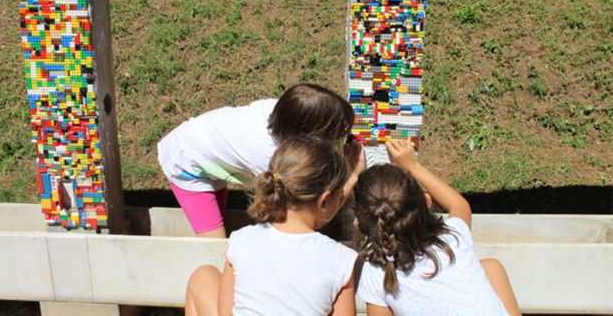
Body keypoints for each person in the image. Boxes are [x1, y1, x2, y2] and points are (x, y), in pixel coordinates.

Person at [185, 135, 366, 316]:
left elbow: (226, 313)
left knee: (203, 276)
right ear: (325, 201)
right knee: (204, 275)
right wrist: (354, 176)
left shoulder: (241, 240)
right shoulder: (340, 260)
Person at [157, 84, 354, 237]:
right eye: (333, 134)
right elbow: (306, 220)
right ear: (310, 133)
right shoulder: (270, 158)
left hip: (203, 148)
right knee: (214, 246)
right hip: (185, 162)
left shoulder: (283, 111)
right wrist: (353, 174)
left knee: (220, 219)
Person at [353, 139, 521, 316]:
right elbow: (459, 205)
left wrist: (353, 176)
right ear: (428, 202)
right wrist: (412, 165)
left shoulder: (375, 274)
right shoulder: (453, 239)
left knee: (490, 267)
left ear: (361, 229)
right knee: (491, 267)